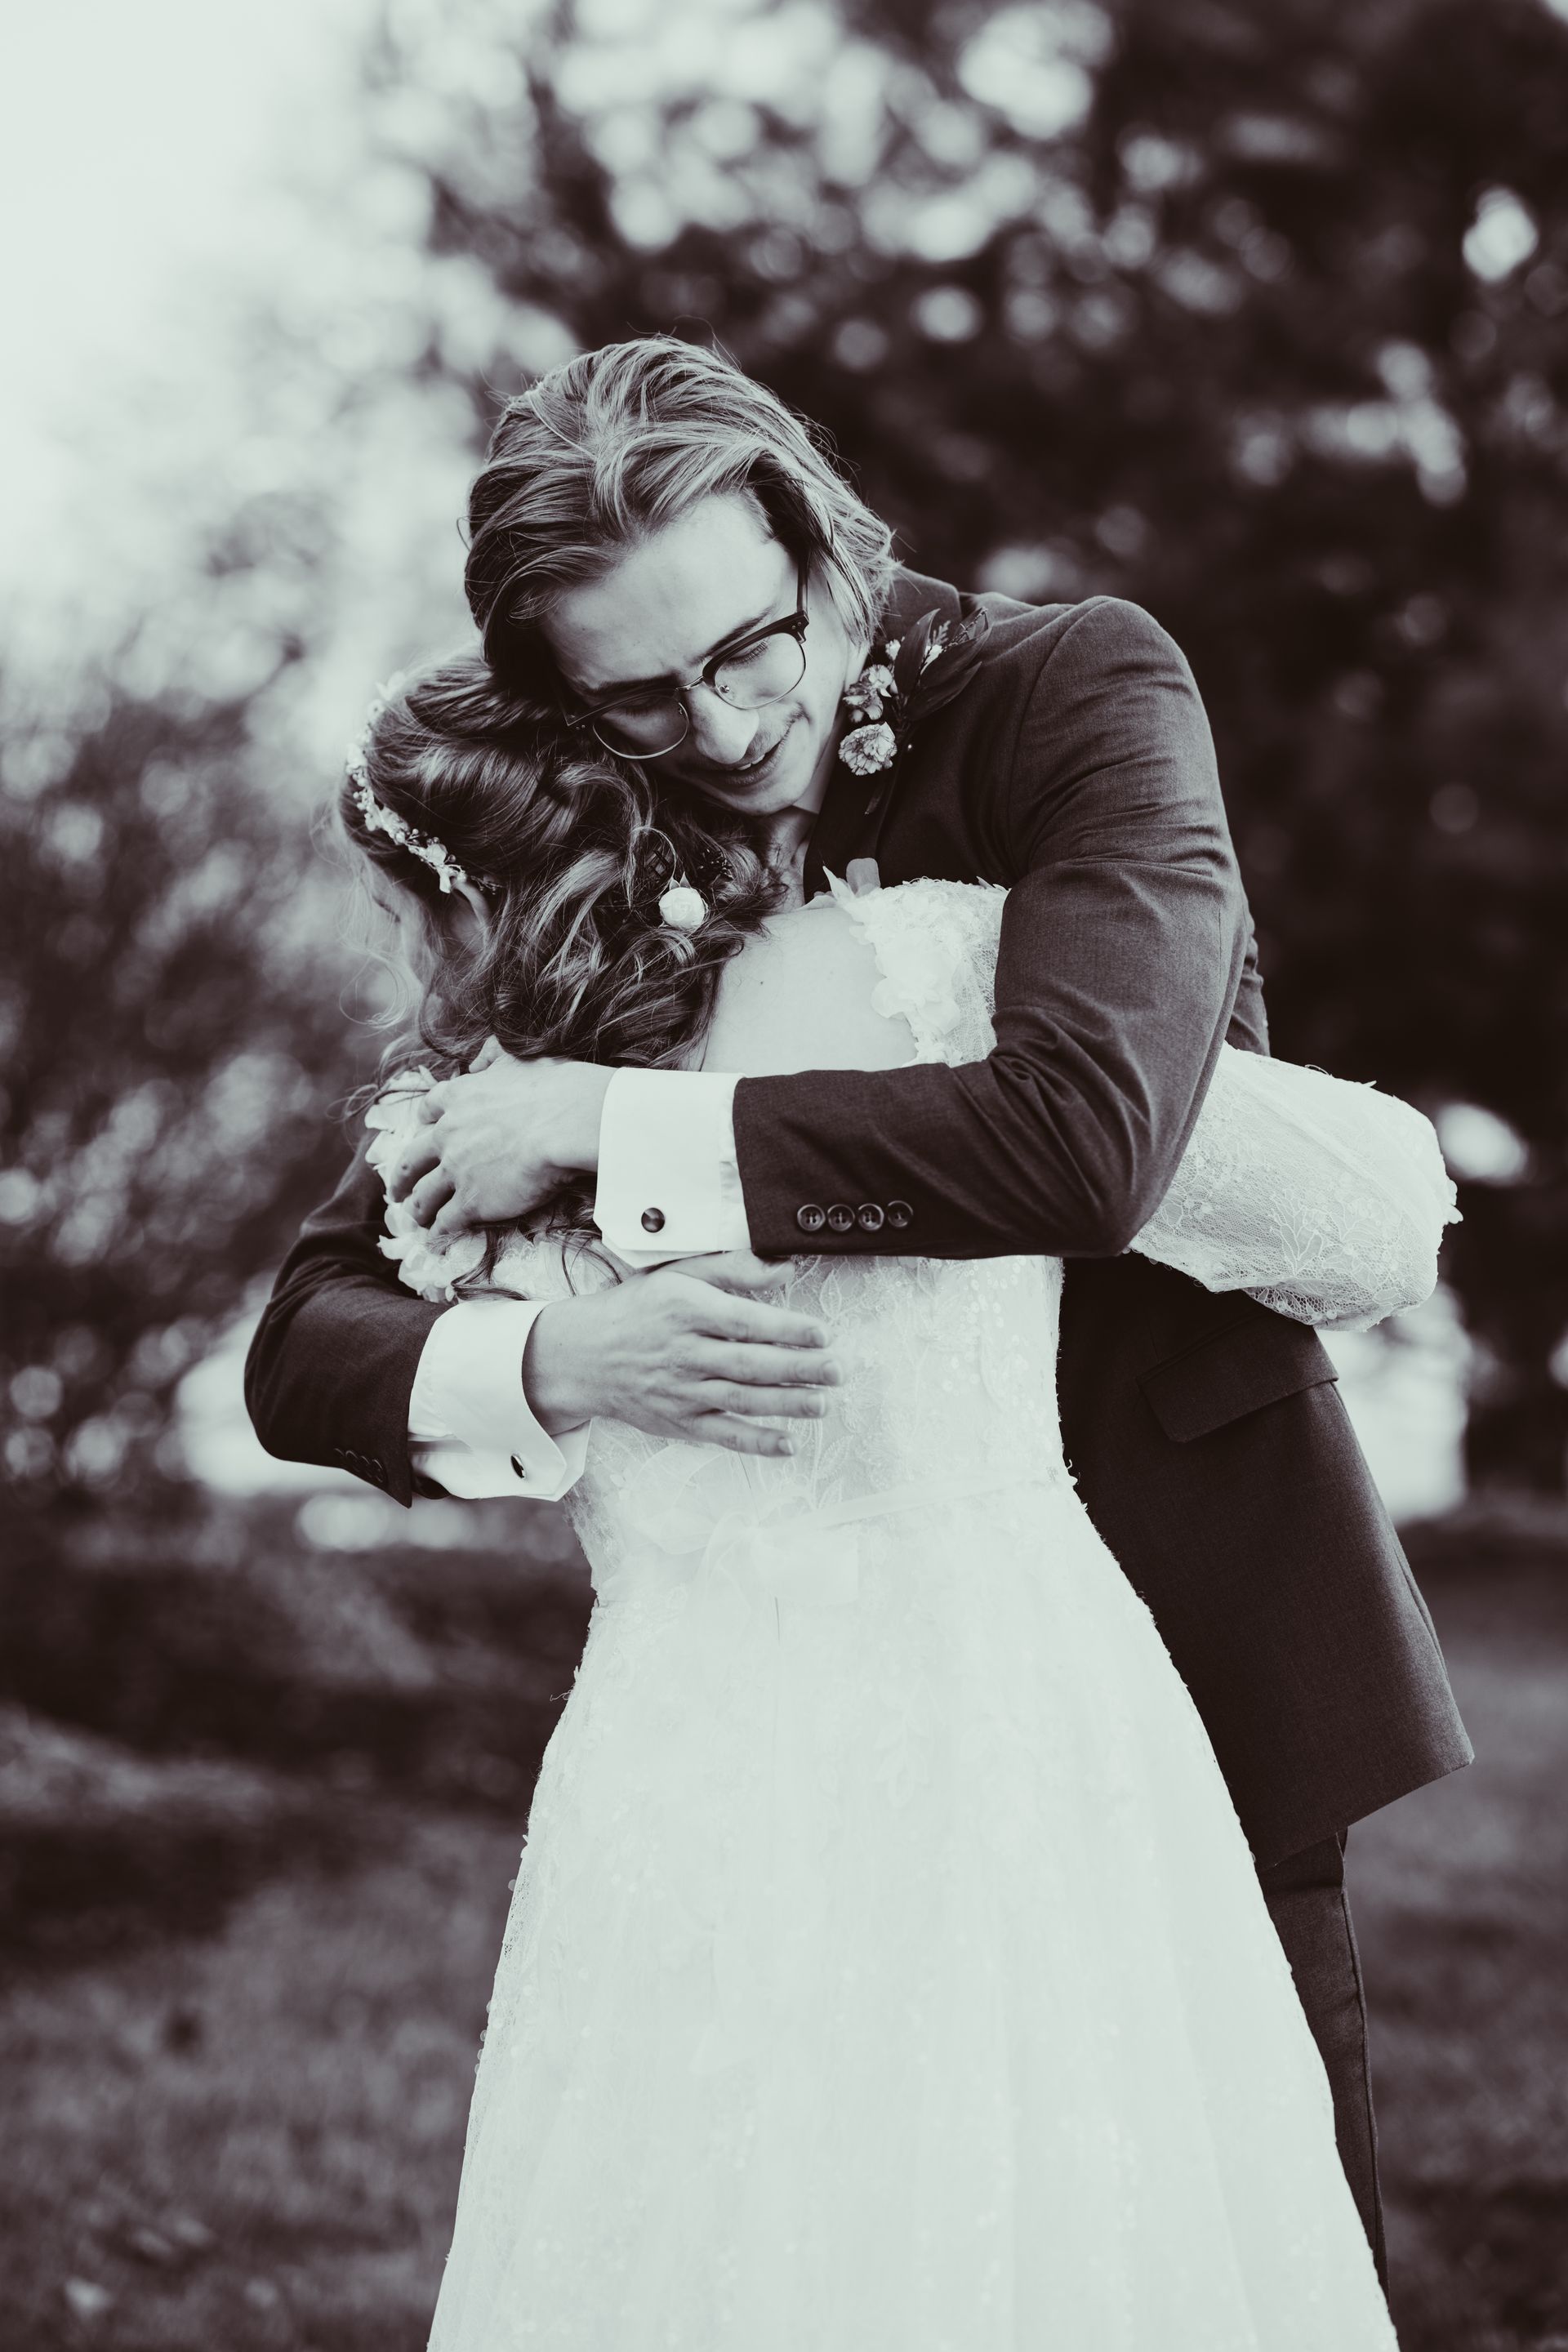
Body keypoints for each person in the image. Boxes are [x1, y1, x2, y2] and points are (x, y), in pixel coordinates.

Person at [246, 339, 1472, 2278]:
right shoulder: (592, 833)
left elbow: (1090, 1141)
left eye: (753, 647)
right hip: (754, 1711)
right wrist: (547, 1356)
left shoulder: (1074, 691)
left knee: (1191, 2242)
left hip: (1164, 1621)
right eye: (643, 696)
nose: (727, 728)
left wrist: (614, 1130)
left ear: (813, 541)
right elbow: (313, 1328)